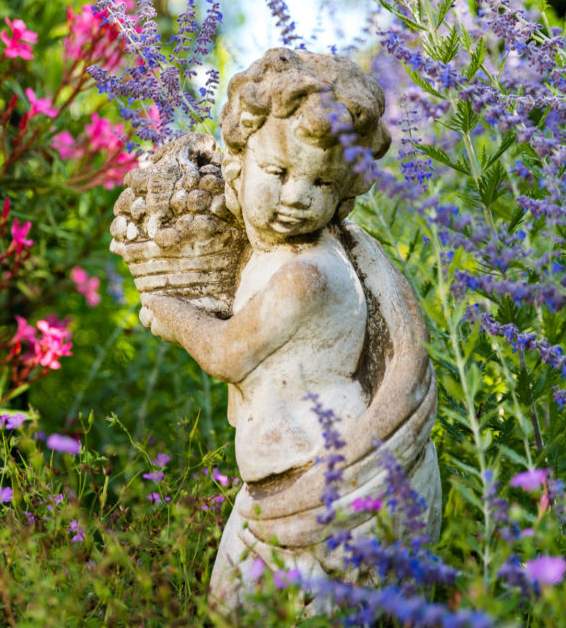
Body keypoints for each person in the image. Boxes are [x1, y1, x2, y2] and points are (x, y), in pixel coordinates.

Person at [138, 49, 441, 617]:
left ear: (344, 193)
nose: (298, 195)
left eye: (322, 182)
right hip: (275, 491)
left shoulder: (307, 275)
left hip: (324, 489)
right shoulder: (277, 253)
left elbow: (227, 354)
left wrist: (169, 311)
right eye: (279, 172)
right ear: (241, 161)